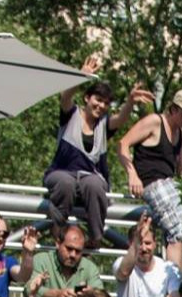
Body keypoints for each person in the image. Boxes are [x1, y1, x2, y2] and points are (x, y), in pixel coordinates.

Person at [45, 59, 144, 244]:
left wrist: (130, 101)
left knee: (95, 185)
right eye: (98, 100)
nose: (101, 106)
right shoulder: (71, 114)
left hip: (89, 178)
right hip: (62, 173)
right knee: (65, 183)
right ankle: (58, 230)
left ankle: (96, 237)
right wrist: (82, 75)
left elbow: (121, 119)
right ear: (86, 99)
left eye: (106, 103)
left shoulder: (103, 125)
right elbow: (65, 97)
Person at [116, 88, 182, 268]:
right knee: (177, 230)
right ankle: (177, 280)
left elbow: (181, 174)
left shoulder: (181, 135)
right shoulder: (155, 122)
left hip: (170, 183)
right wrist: (132, 174)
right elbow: (123, 144)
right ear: (174, 109)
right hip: (151, 183)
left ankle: (174, 273)